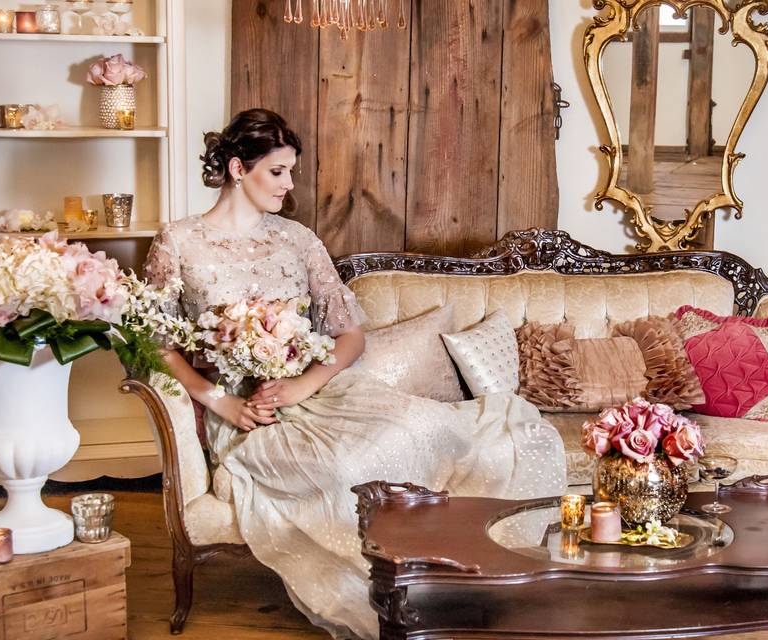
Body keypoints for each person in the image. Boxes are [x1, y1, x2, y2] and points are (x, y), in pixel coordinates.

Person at [143, 108, 566, 639]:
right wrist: (220, 402)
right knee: (348, 464)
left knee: (424, 429)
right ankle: (394, 596)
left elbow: (350, 335)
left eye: (291, 171)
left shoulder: (298, 240)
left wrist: (301, 383)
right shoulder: (179, 242)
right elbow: (155, 344)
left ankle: (449, 577)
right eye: (277, 172)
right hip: (248, 410)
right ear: (236, 169)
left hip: (318, 391)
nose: (288, 184)